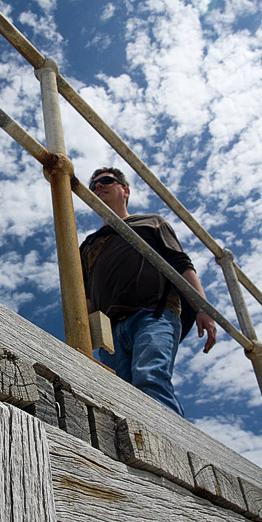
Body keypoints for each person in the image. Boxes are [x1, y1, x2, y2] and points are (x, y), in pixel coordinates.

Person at [80, 167, 216, 416]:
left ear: (125, 190)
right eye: (94, 185)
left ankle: (171, 450)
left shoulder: (151, 222)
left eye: (106, 181)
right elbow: (86, 296)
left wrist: (202, 308)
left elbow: (181, 265)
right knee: (118, 397)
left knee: (149, 377)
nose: (98, 187)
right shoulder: (88, 244)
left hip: (154, 314)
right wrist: (81, 334)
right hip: (109, 330)